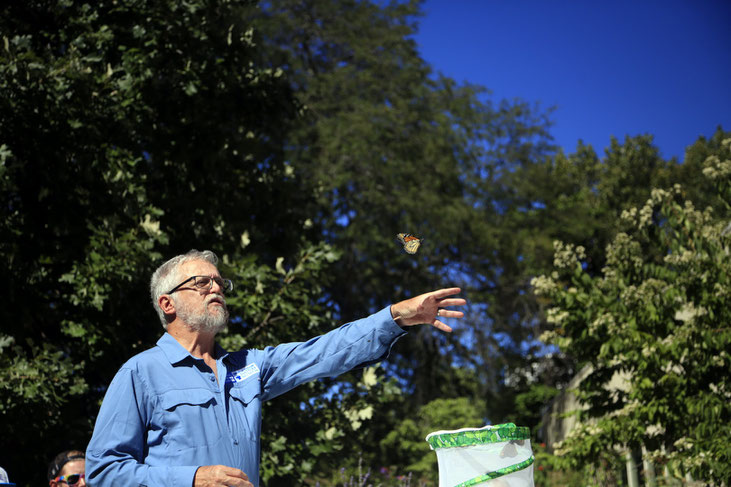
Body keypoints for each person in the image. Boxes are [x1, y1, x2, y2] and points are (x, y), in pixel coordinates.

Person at [86, 249, 466, 487]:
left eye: (220, 283)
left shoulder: (248, 367)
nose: (216, 288)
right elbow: (103, 472)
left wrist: (395, 317)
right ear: (167, 304)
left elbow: (320, 353)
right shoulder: (140, 373)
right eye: (201, 282)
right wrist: (193, 479)